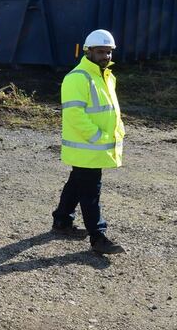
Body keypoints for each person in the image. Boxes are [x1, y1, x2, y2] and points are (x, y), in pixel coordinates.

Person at [51, 29, 126, 255]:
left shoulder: (107, 77)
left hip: (95, 147)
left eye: (109, 52)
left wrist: (118, 130)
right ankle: (98, 237)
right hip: (88, 147)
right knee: (90, 191)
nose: (106, 56)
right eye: (101, 52)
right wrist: (97, 137)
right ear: (88, 51)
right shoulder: (77, 78)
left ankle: (62, 220)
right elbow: (74, 115)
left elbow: (111, 110)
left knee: (77, 183)